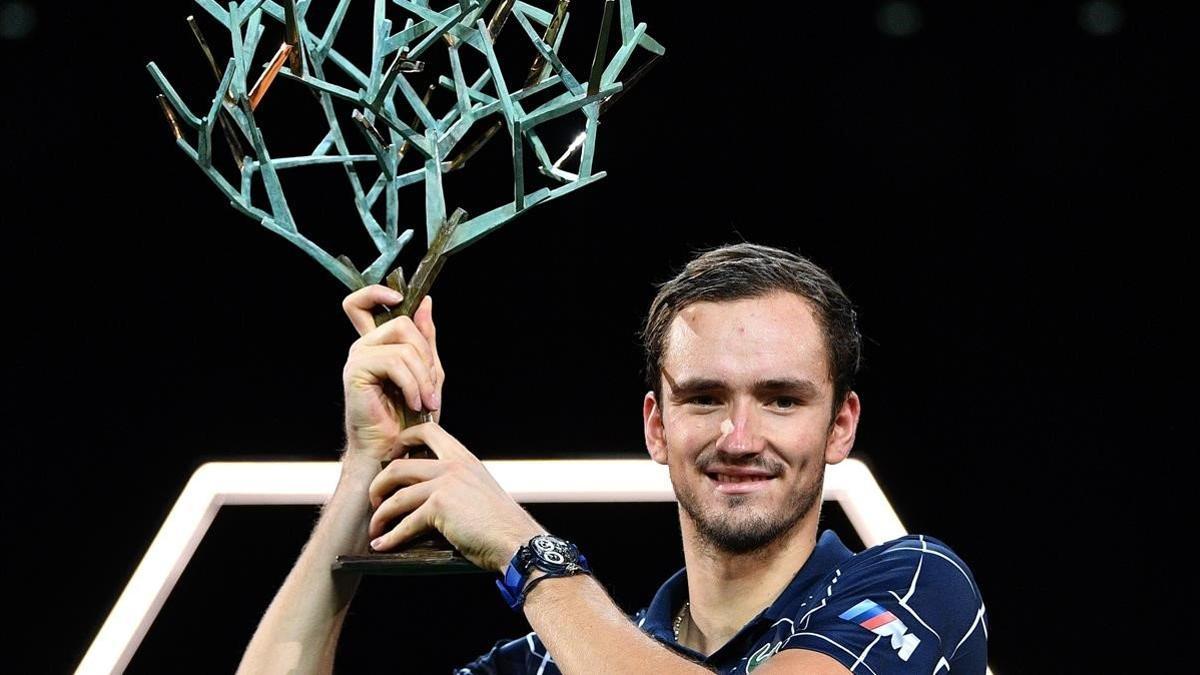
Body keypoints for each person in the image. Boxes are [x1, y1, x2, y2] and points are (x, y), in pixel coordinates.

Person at [237, 243, 988, 674]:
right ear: (655, 427)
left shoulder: (920, 586)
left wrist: (525, 551)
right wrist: (364, 472)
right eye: (703, 398)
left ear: (840, 426)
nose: (739, 435)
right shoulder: (555, 656)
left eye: (782, 399)